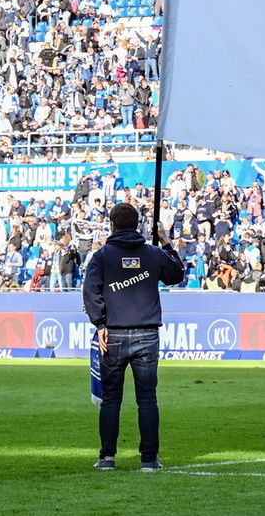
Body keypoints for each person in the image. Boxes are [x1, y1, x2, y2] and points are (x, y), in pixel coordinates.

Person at [83, 202, 186, 472]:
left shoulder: (103, 255)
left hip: (114, 333)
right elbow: (177, 275)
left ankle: (107, 458)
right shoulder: (152, 253)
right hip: (146, 334)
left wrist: (100, 323)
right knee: (147, 399)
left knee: (111, 399)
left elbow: (90, 292)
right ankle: (149, 460)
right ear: (138, 223)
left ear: (112, 224)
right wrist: (165, 241)